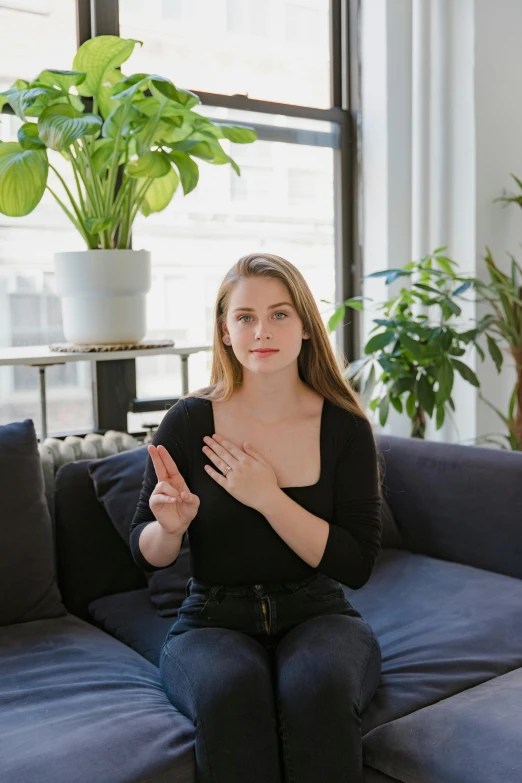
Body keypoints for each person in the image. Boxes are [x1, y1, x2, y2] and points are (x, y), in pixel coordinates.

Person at [129, 252, 384, 783]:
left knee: (317, 687)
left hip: (318, 612)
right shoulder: (189, 420)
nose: (261, 331)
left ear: (307, 328)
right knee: (230, 690)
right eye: (244, 317)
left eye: (280, 314)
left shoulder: (344, 427)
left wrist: (267, 496)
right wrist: (168, 528)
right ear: (224, 331)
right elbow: (146, 551)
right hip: (211, 619)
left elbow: (356, 564)